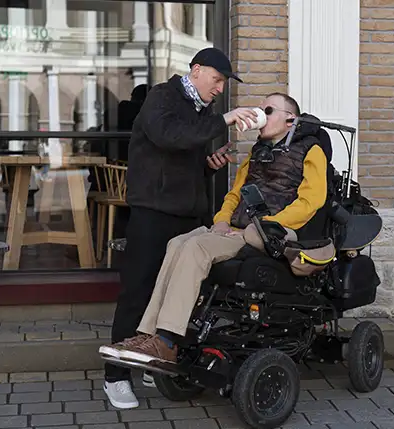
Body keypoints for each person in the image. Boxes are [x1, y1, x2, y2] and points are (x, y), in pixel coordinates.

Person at [99, 92, 328, 368]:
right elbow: (235, 194)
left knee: (197, 248)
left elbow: (311, 202)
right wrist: (221, 220)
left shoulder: (311, 150)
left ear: (290, 119)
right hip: (237, 228)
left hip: (273, 233)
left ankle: (167, 341)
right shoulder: (258, 151)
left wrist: (264, 226)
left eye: (267, 110)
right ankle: (149, 334)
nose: (259, 114)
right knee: (178, 243)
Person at [103, 47, 259, 409]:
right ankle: (116, 377)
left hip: (188, 216)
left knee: (179, 294)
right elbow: (169, 136)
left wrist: (207, 166)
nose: (220, 88)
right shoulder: (162, 97)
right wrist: (225, 119)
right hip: (152, 214)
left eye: (224, 83)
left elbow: (178, 157)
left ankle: (154, 362)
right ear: (197, 70)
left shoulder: (199, 111)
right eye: (217, 80)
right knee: (138, 292)